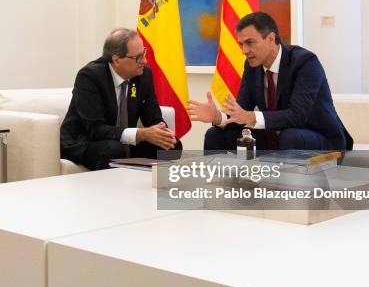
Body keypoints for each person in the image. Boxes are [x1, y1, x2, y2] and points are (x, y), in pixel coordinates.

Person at [188, 12, 353, 152]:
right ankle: (224, 188)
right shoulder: (252, 66)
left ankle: (286, 189)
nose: (245, 51)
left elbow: (298, 116)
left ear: (271, 38)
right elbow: (242, 111)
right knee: (215, 135)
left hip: (320, 137)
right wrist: (217, 117)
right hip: (274, 135)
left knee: (290, 136)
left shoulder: (305, 62)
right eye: (241, 44)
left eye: (250, 43)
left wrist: (251, 117)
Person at [61, 28, 181, 170]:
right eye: (138, 57)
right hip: (87, 141)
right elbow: (95, 129)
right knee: (113, 150)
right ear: (116, 60)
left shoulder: (144, 75)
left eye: (144, 53)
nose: (145, 60)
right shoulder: (89, 77)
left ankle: (147, 190)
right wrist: (140, 134)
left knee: (172, 146)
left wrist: (162, 133)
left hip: (122, 141)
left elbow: (153, 117)